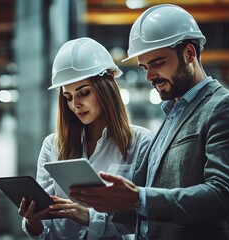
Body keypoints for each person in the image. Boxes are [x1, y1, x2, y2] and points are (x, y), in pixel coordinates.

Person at [70, 4, 229, 240]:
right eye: (144, 67)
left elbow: (223, 196)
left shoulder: (227, 107)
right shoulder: (171, 117)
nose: (149, 76)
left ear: (189, 53)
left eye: (157, 63)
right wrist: (89, 213)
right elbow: (144, 208)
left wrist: (138, 197)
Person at [18, 37, 153, 239]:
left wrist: (89, 217)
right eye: (69, 97)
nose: (75, 105)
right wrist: (33, 220)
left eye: (84, 93)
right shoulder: (52, 145)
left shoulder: (140, 142)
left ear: (106, 89)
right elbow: (44, 232)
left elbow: (145, 219)